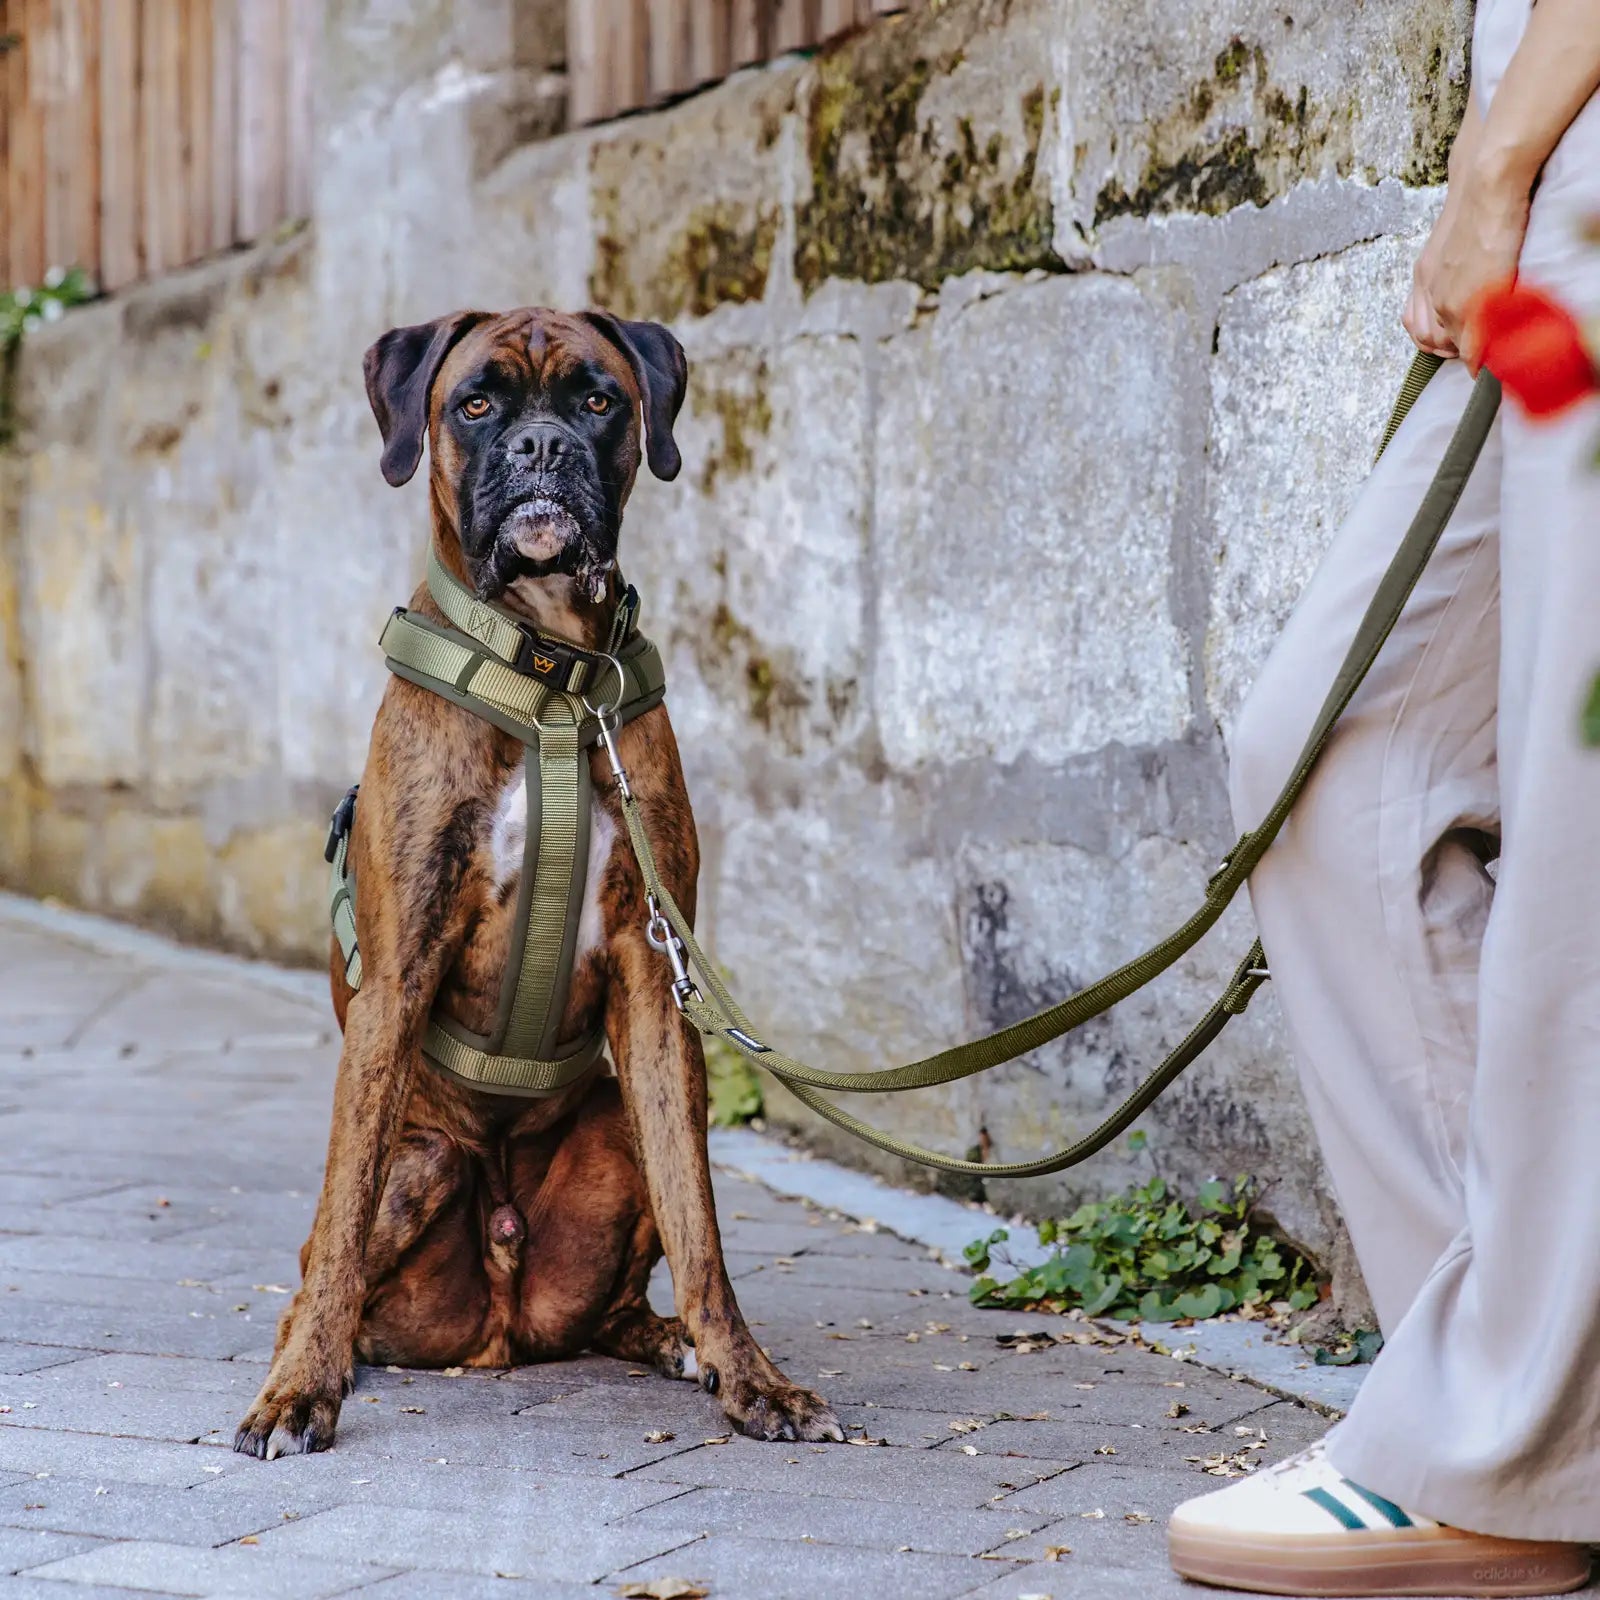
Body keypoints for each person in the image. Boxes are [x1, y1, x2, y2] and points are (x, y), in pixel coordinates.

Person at [1166, 0, 1600, 1594]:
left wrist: (1493, 167)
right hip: (1555, 193)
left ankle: (1492, 1465)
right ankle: (1518, 1421)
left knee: (1580, 854)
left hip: (1556, 167)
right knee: (1332, 753)